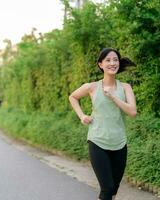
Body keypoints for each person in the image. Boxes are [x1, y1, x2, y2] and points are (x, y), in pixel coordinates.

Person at [68, 48, 137, 200]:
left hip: (119, 142)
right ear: (100, 64)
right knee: (107, 188)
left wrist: (113, 97)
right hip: (97, 141)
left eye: (115, 60)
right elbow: (73, 97)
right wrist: (82, 116)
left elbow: (132, 112)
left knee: (113, 190)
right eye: (108, 60)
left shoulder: (125, 87)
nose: (112, 63)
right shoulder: (91, 87)